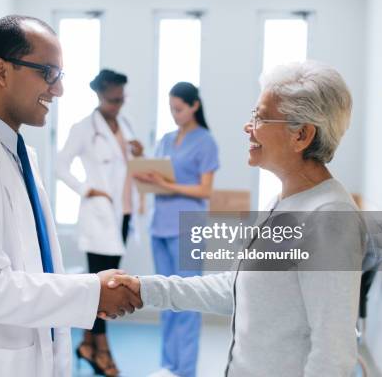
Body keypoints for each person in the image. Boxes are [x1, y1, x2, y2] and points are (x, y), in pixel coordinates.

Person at [0, 15, 142, 377]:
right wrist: (90, 292)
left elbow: (33, 269)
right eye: (48, 73)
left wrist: (87, 292)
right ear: (1, 71)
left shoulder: (17, 154)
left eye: (59, 76)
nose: (58, 90)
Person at [106, 61, 365, 377]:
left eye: (260, 116)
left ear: (302, 135)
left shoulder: (330, 219)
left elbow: (333, 355)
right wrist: (145, 288)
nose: (248, 126)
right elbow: (235, 289)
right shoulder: (282, 203)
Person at [56, 69, 143, 376]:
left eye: (122, 99)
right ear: (99, 94)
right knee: (104, 285)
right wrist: (85, 189)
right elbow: (60, 164)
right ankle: (101, 348)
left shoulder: (125, 125)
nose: (118, 105)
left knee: (107, 280)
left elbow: (130, 166)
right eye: (112, 99)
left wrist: (138, 153)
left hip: (123, 213)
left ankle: (87, 344)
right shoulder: (84, 128)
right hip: (100, 215)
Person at [135, 82, 219, 377]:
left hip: (187, 228)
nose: (174, 114)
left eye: (179, 109)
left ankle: (185, 371)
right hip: (160, 226)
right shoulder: (167, 139)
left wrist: (167, 185)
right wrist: (148, 176)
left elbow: (205, 190)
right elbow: (156, 180)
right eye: (171, 109)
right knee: (164, 298)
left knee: (188, 299)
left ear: (194, 105)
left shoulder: (206, 141)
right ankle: (168, 366)